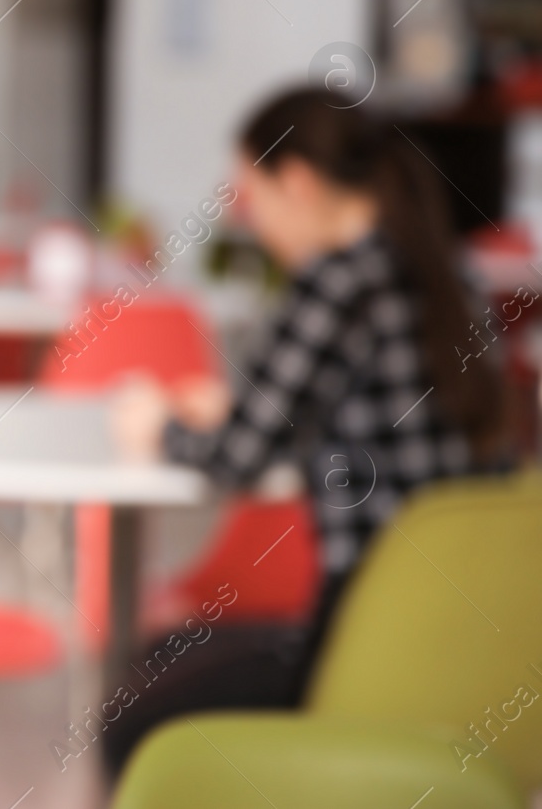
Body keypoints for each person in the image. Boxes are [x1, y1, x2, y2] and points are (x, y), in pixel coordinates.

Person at [102, 86, 509, 776]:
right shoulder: (451, 275)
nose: (254, 223)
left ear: (295, 182)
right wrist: (233, 406)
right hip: (468, 646)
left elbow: (234, 458)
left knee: (132, 719)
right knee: (174, 655)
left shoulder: (335, 283)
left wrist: (157, 427)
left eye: (251, 197)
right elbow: (362, 406)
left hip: (365, 640)